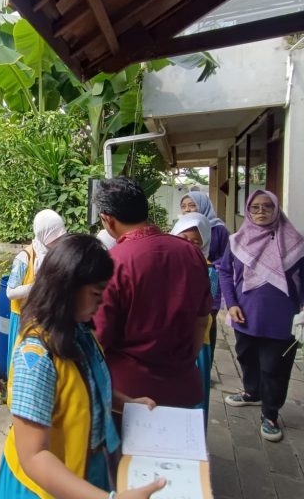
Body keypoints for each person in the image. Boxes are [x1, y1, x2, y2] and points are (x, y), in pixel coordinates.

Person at [0, 234, 166, 499]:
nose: (101, 302)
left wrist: (127, 403)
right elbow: (33, 455)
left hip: (84, 468)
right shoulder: (36, 357)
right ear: (68, 288)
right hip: (44, 488)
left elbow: (88, 388)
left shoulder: (79, 332)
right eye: (96, 293)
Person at [93, 177, 211, 409]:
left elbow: (98, 338)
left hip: (127, 394)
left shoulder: (113, 263)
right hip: (182, 386)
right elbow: (201, 321)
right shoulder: (191, 253)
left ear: (107, 220)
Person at [219, 190, 304, 442]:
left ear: (276, 209)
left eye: (267, 206)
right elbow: (224, 272)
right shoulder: (237, 241)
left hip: (282, 318)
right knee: (246, 357)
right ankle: (252, 393)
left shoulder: (295, 242)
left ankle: (271, 413)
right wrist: (231, 304)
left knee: (274, 367)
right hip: (245, 314)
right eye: (255, 207)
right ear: (248, 210)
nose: (261, 211)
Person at [5, 209, 66, 371]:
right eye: (56, 237)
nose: (59, 241)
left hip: (43, 316)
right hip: (22, 317)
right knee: (20, 363)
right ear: (44, 234)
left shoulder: (52, 254)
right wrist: (37, 286)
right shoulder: (25, 257)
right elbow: (10, 292)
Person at [171, 213, 217, 422]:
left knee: (191, 400)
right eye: (184, 238)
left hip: (196, 345)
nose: (189, 245)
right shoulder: (164, 263)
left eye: (196, 242)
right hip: (167, 342)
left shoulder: (208, 270)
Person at [180, 191, 230, 359]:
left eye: (192, 205)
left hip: (210, 278)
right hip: (187, 279)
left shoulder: (218, 229)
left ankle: (206, 360)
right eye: (184, 206)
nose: (188, 210)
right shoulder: (182, 225)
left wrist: (210, 266)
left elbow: (226, 258)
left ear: (203, 206)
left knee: (208, 322)